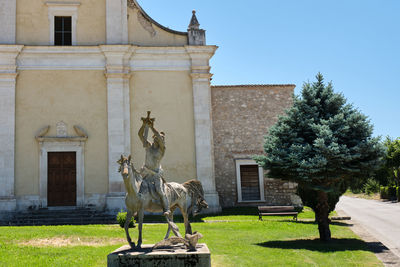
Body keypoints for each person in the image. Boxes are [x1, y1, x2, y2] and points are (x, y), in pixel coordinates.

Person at [138, 115, 171, 216]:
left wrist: (151, 127)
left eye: (161, 138)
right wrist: (144, 125)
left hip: (156, 175)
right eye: (158, 138)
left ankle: (166, 209)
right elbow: (140, 134)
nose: (160, 139)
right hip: (146, 174)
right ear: (154, 139)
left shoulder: (162, 150)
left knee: (160, 190)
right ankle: (137, 208)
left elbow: (160, 139)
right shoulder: (148, 146)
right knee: (138, 190)